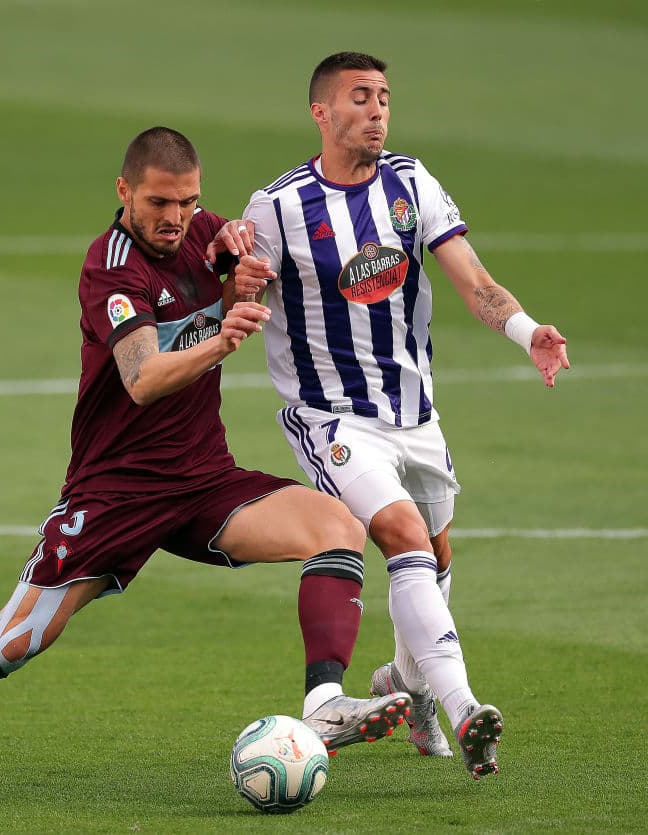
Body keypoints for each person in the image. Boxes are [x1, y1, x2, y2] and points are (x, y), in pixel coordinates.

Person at [0, 126, 412, 794]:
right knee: (14, 640)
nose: (175, 217)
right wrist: (224, 338)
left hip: (203, 479)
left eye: (187, 201)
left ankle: (324, 703)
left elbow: (236, 277)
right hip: (116, 493)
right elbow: (143, 379)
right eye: (159, 202)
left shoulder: (201, 232)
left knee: (335, 525)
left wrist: (242, 273)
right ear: (125, 191)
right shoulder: (112, 266)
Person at [224, 52, 569, 780]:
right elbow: (237, 300)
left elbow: (473, 279)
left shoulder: (412, 183)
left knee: (435, 560)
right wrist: (237, 285)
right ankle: (464, 708)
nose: (377, 110)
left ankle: (406, 689)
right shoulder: (277, 207)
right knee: (405, 537)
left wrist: (526, 330)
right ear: (321, 112)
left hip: (416, 415)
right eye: (360, 97)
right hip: (333, 418)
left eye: (383, 96)